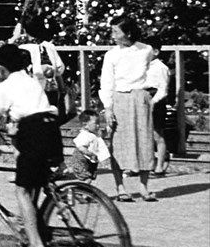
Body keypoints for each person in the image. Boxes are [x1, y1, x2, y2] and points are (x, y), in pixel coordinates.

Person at [0, 43, 62, 247]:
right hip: (50, 131)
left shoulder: (4, 87)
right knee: (33, 189)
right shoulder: (31, 82)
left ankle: (36, 244)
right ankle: (31, 238)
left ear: (0, 68)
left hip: (33, 136)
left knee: (22, 192)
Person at [100, 16, 156, 202]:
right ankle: (120, 187)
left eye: (116, 31)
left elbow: (149, 71)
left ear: (128, 33)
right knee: (119, 143)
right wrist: (108, 108)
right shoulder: (111, 55)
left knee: (145, 140)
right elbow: (107, 82)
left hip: (140, 98)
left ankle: (143, 186)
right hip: (119, 98)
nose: (113, 35)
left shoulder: (145, 50)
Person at [18, 18, 67, 121]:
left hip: (32, 90)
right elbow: (60, 68)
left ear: (26, 31)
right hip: (50, 89)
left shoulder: (23, 48)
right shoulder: (50, 46)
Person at [144, 36, 172, 177]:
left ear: (155, 51)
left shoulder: (161, 68)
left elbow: (163, 89)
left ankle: (160, 165)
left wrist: (153, 102)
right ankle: (148, 164)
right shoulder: (141, 66)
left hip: (155, 101)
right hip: (143, 99)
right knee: (145, 135)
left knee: (157, 134)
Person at [68, 110, 111, 181]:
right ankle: (80, 188)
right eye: (96, 123)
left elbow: (103, 134)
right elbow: (81, 148)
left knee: (90, 177)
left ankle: (84, 187)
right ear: (85, 125)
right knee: (86, 177)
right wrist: (90, 154)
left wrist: (109, 126)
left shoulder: (94, 133)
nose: (98, 125)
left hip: (90, 160)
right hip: (82, 160)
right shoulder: (84, 135)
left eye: (98, 122)